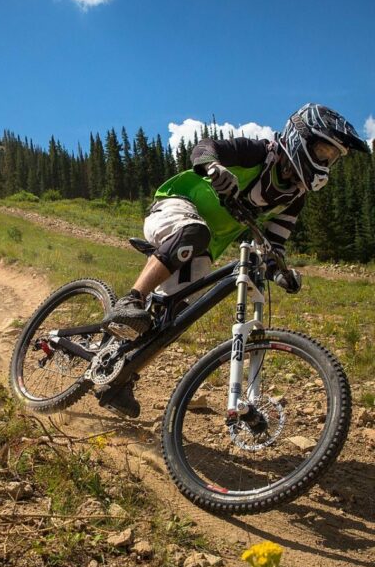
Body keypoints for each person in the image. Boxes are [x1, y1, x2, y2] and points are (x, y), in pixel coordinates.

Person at [102, 103, 369, 418]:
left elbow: (274, 245)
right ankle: (131, 299)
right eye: (324, 152)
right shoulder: (259, 154)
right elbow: (203, 148)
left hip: (203, 248)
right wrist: (214, 168)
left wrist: (281, 273)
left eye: (332, 158)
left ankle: (120, 377)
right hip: (176, 208)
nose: (325, 162)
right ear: (302, 138)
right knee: (194, 232)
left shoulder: (295, 196)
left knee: (174, 318)